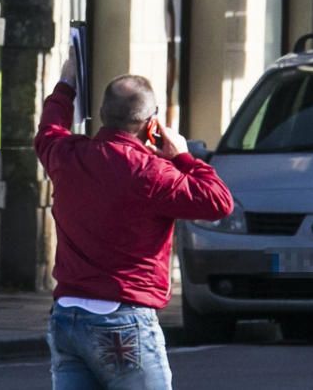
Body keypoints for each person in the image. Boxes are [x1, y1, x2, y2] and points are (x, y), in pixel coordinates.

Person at [35, 54, 234, 389]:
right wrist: (184, 156)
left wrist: (66, 85)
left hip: (67, 315)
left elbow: (49, 130)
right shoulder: (153, 174)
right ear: (150, 124)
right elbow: (219, 201)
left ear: (102, 114)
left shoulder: (67, 156)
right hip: (123, 317)